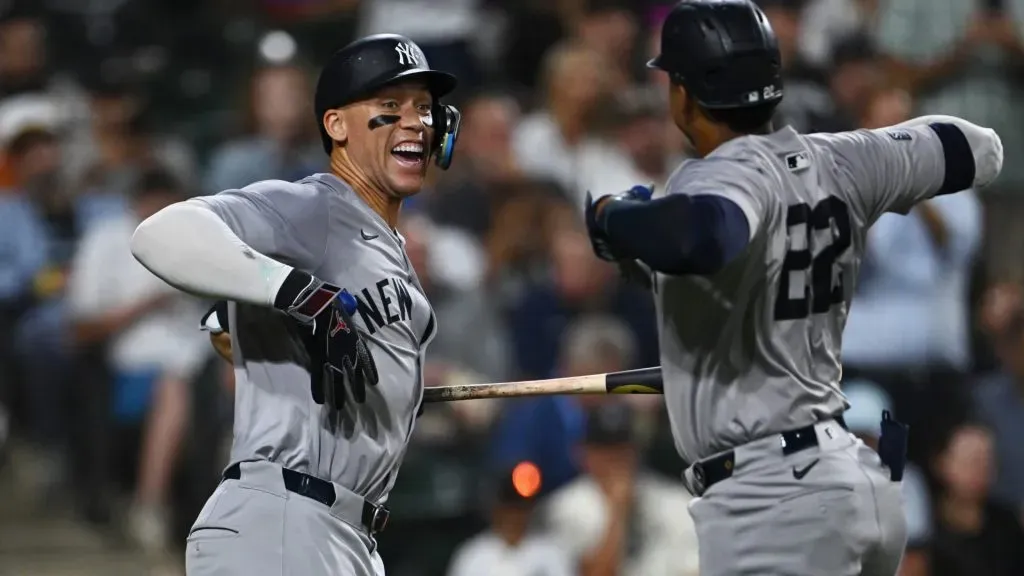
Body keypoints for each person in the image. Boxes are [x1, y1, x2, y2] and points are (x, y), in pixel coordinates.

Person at [583, 1, 1004, 574]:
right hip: (853, 481)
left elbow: (705, 237)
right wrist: (884, 145)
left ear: (683, 93)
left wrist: (613, 216)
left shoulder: (717, 176)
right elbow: (981, 149)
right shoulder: (845, 158)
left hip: (774, 502)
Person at [129, 34, 462, 575]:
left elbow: (242, 333)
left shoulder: (391, 252)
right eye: (389, 107)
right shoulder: (315, 206)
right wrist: (297, 295)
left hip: (342, 534)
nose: (415, 123)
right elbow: (159, 232)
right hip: (284, 521)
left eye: (424, 109)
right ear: (336, 126)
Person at [543, 402, 700, 576]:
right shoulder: (563, 509)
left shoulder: (675, 501)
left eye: (622, 448)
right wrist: (618, 512)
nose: (615, 459)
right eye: (605, 450)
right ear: (584, 454)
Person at [446, 462, 574, 576]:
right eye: (509, 509)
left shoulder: (552, 553)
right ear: (496, 510)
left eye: (520, 508)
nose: (514, 516)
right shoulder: (473, 556)